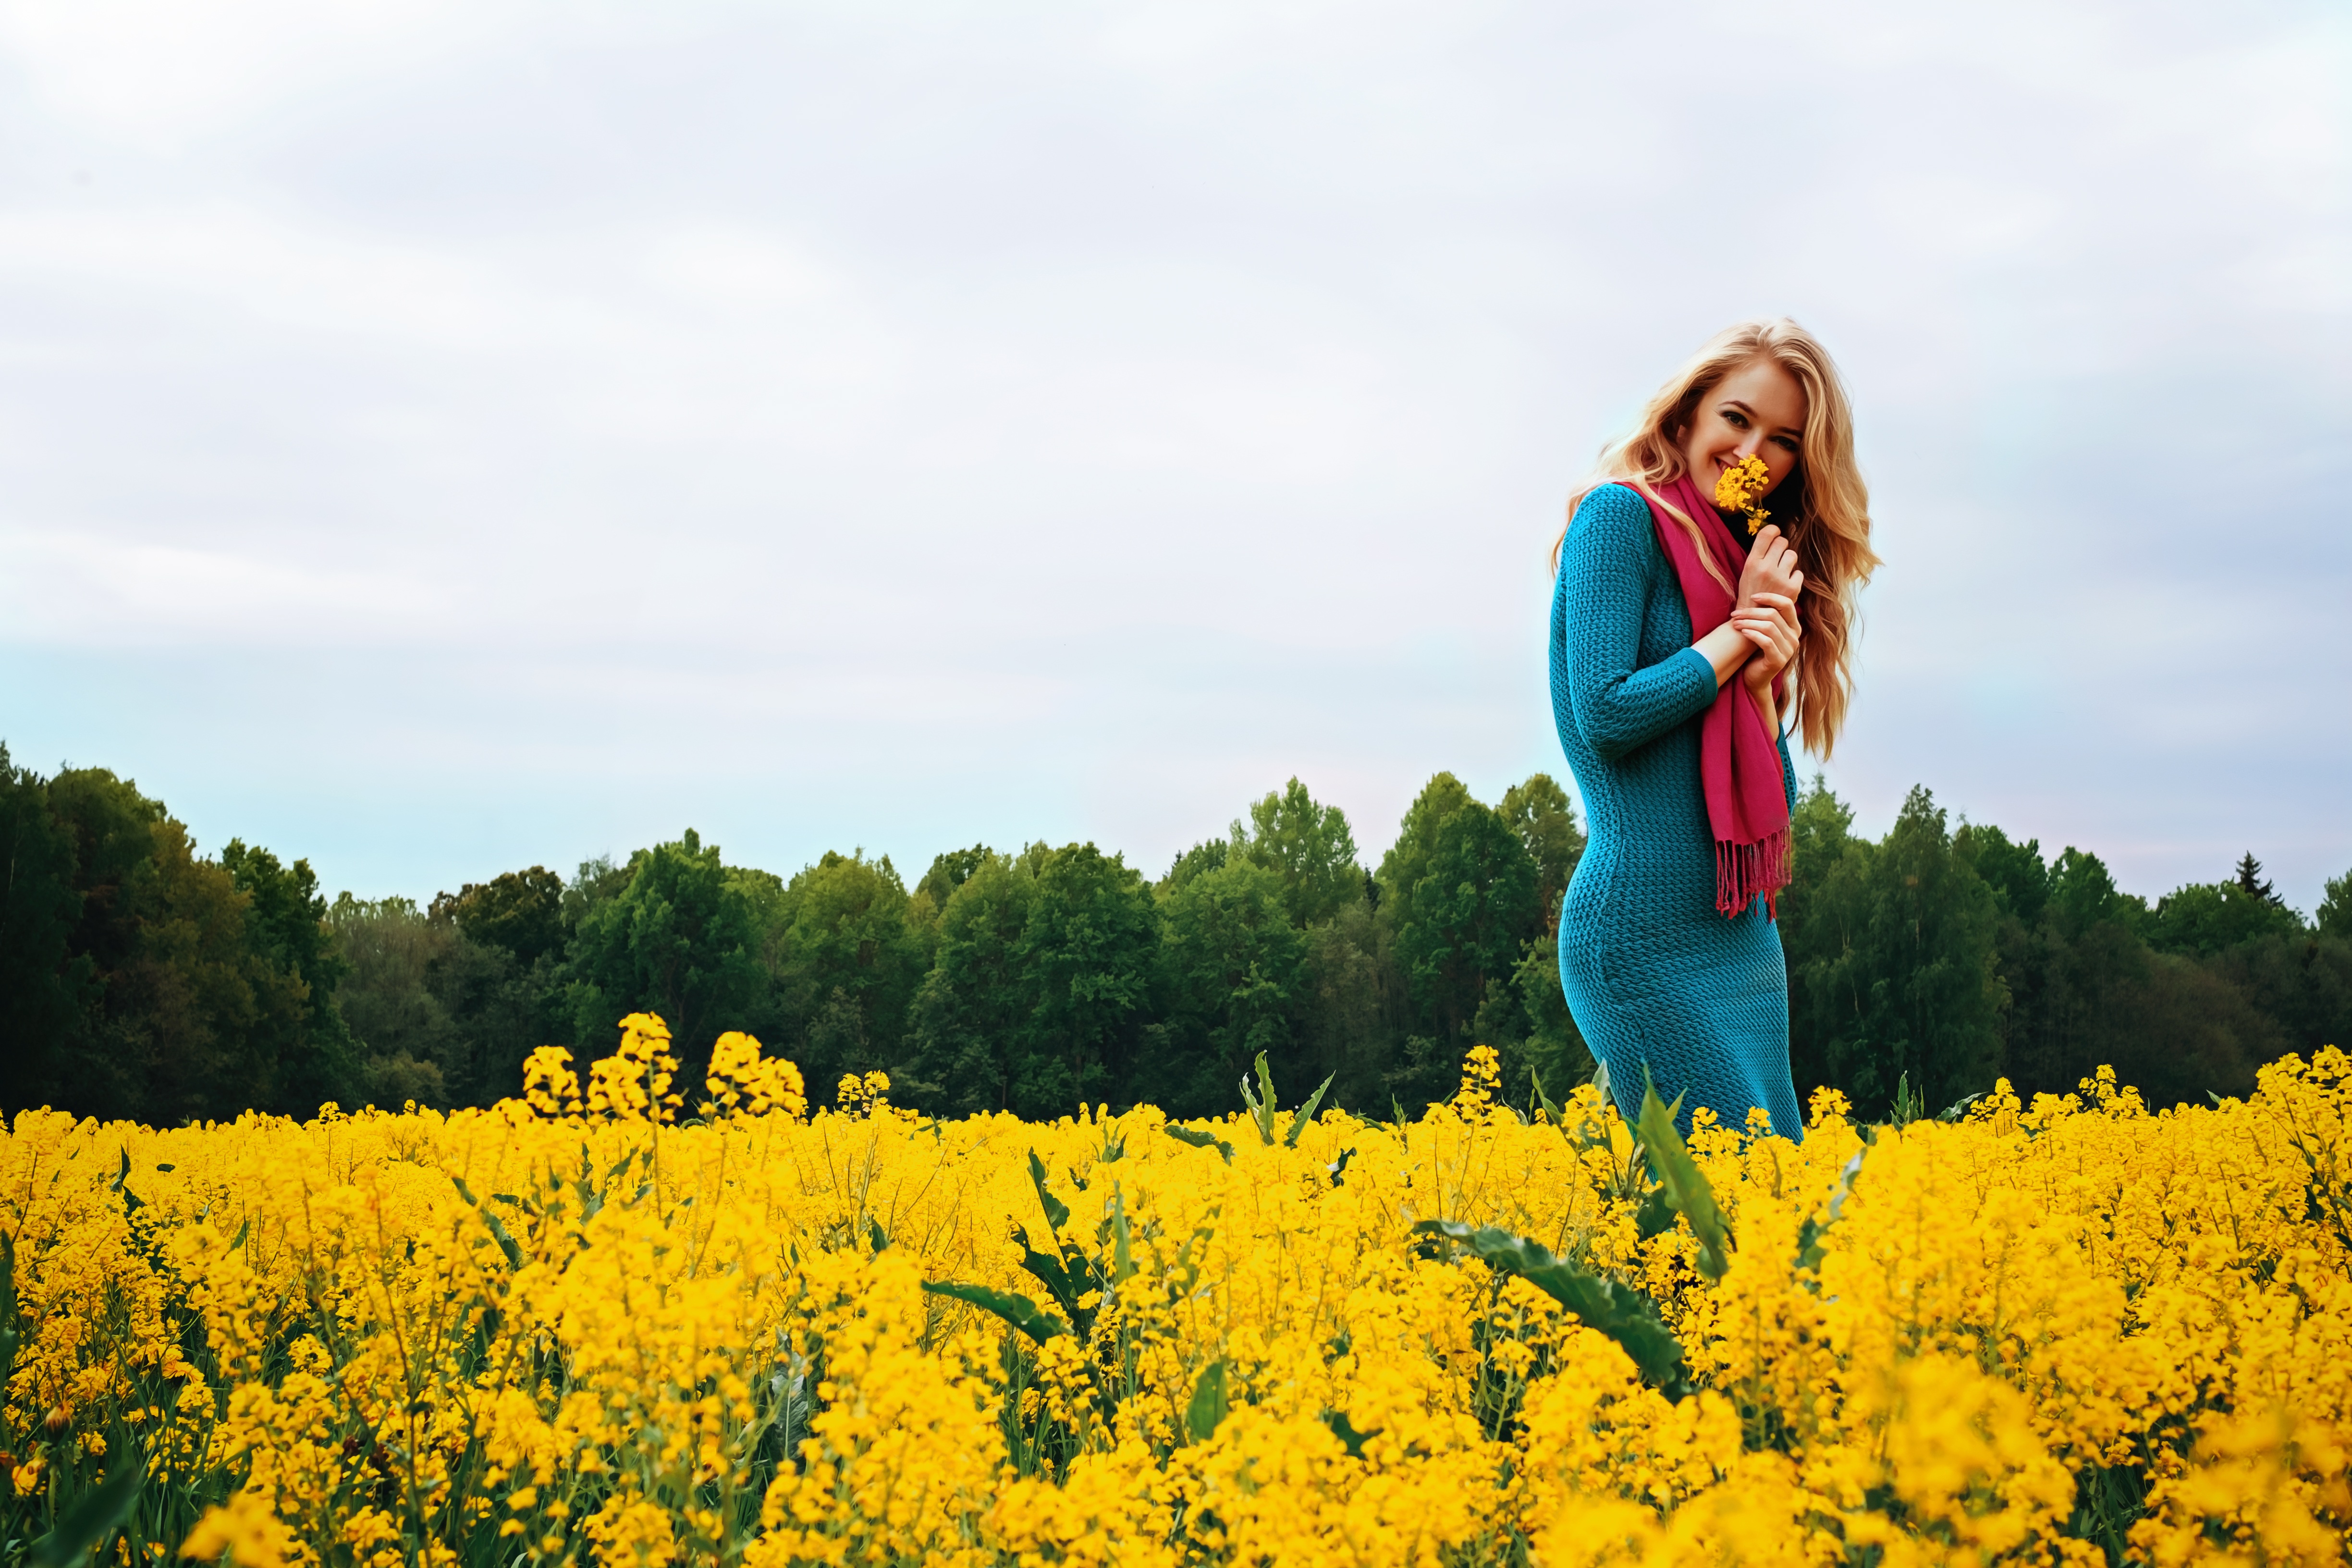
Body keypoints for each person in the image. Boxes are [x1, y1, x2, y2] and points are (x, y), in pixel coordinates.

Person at [1549, 318, 1878, 1140]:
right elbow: (1608, 713)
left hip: (1742, 943)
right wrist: (1739, 633)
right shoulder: (1617, 520)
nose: (1752, 453)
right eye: (1738, 418)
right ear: (1689, 413)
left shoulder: (1742, 566)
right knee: (1728, 1214)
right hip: (1637, 938)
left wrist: (1762, 680)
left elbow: (1776, 800)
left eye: (1784, 441)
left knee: (1774, 1221)